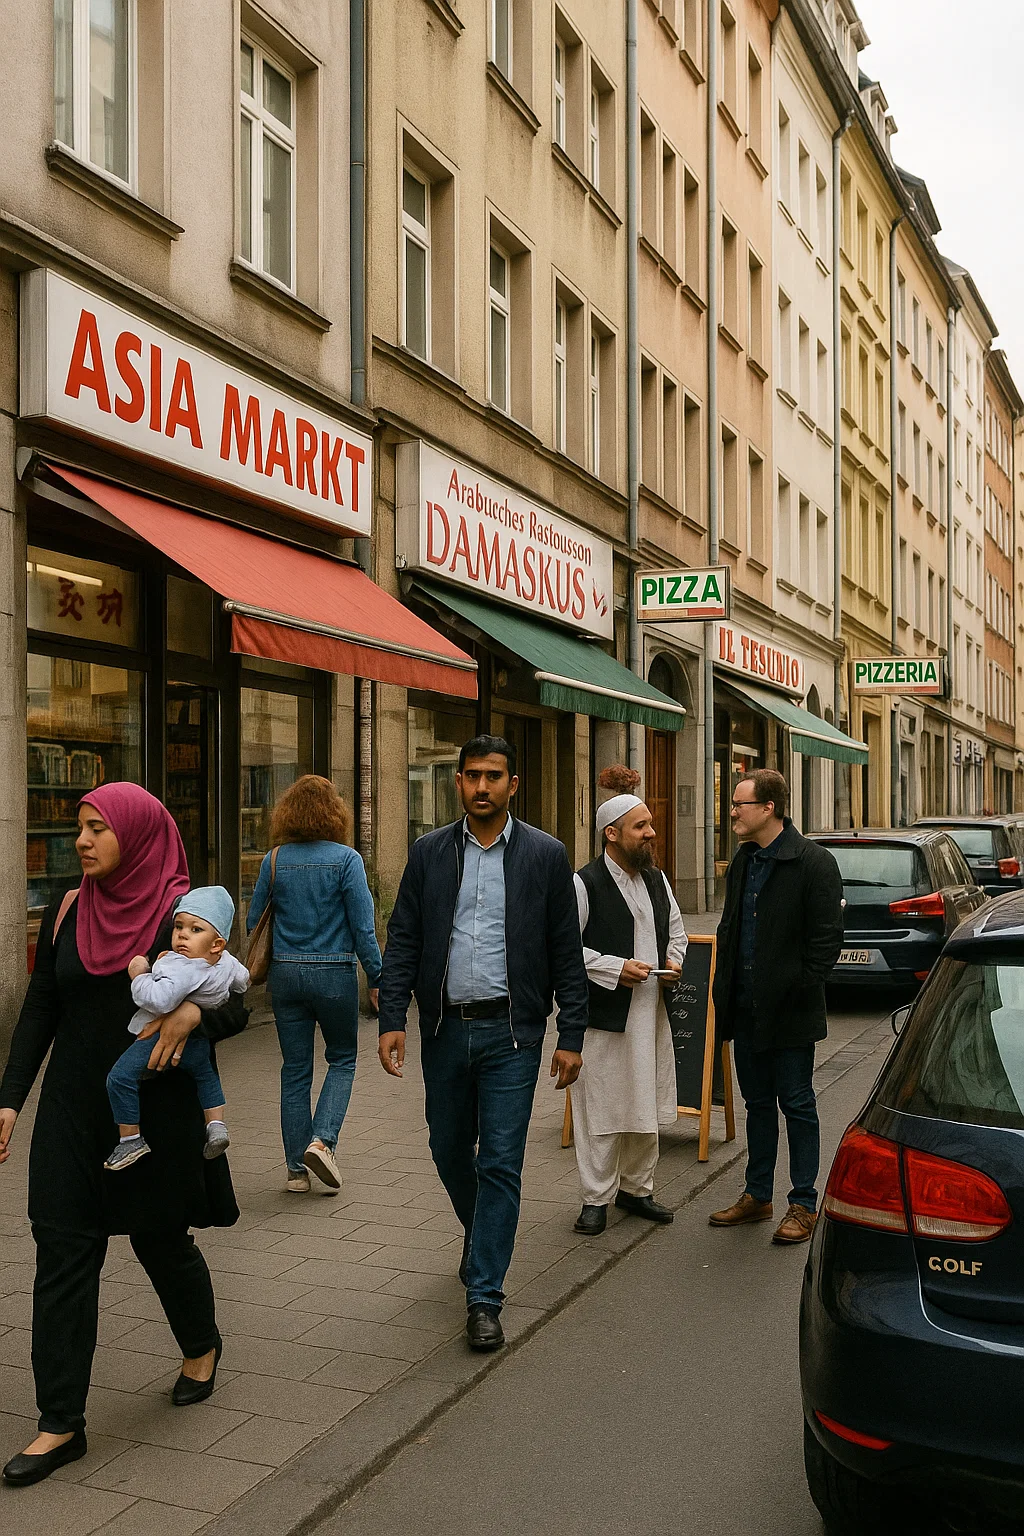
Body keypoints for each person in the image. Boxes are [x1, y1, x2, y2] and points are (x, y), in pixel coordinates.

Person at [0, 784, 243, 1489]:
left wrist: (197, 1019)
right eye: (79, 827)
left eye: (98, 828)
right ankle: (60, 1424)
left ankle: (201, 1344)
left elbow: (235, 996)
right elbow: (43, 1003)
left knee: (159, 1238)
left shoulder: (180, 914)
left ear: (136, 836)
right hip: (74, 1109)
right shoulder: (68, 908)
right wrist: (11, 1098)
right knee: (63, 1249)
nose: (83, 840)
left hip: (152, 1110)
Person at [377, 734, 588, 1353]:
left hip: (513, 1035)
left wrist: (570, 1034)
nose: (481, 787)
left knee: (500, 1162)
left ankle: (484, 1295)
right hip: (444, 1030)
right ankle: (484, 1237)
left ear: (512, 784)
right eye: (471, 776)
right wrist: (393, 1016)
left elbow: (564, 953)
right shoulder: (429, 853)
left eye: (493, 776)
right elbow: (405, 939)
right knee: (448, 1149)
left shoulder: (546, 857)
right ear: (459, 782)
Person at [709, 769, 843, 1245]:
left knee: (798, 1105)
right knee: (757, 1105)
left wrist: (797, 988)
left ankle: (803, 1203)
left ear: (768, 808)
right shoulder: (744, 860)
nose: (732, 812)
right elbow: (732, 930)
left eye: (739, 804)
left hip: (789, 1012)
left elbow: (825, 944)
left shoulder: (813, 862)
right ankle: (757, 1194)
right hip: (745, 1010)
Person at [247, 775, 381, 1195]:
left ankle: (294, 1172)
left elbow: (254, 923)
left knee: (295, 1071)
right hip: (335, 976)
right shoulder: (346, 860)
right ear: (334, 813)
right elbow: (364, 929)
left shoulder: (274, 860)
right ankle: (322, 1141)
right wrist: (378, 978)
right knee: (342, 1059)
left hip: (285, 977)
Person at [572, 769, 687, 1235]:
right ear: (612, 834)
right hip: (603, 1019)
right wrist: (613, 968)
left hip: (650, 1014)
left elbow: (676, 930)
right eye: (641, 826)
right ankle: (595, 1197)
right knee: (600, 1107)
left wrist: (672, 960)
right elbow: (563, 950)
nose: (651, 833)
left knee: (646, 1102)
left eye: (650, 825)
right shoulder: (584, 883)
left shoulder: (657, 881)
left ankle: (637, 1189)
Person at [105, 887, 250, 1171]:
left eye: (195, 929)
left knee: (120, 1078)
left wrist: (139, 975)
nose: (182, 934)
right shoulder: (225, 960)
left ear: (216, 943)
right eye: (179, 926)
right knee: (205, 1077)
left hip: (161, 1037)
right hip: (196, 1043)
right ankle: (217, 1126)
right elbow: (243, 981)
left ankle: (130, 1139)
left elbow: (159, 999)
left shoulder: (183, 967)